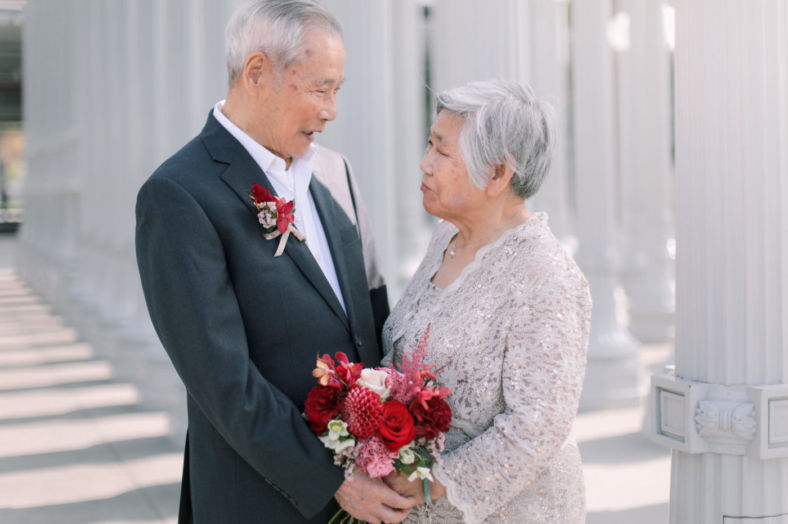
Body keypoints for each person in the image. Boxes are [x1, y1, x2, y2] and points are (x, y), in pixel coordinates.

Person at [135, 1, 416, 522]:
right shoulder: (177, 194)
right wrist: (333, 479)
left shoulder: (337, 174)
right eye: (320, 89)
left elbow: (372, 324)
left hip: (367, 497)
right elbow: (224, 382)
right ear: (257, 72)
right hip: (257, 501)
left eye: (337, 90)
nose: (331, 110)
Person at [381, 79, 592, 523]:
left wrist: (428, 482)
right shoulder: (446, 237)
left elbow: (535, 430)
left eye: (442, 151)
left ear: (498, 174)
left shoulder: (545, 276)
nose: (425, 163)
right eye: (430, 144)